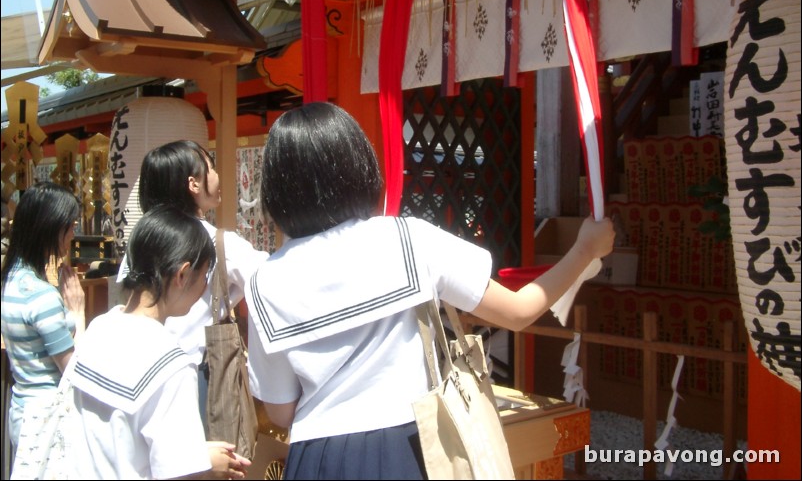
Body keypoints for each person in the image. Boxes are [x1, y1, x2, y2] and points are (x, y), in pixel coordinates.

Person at [245, 102, 616, 480]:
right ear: (357, 166)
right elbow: (518, 311)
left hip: (316, 457)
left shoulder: (264, 281)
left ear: (277, 188)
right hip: (407, 445)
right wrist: (585, 250)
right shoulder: (407, 239)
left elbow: (280, 410)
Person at [69, 204, 250, 479]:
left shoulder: (99, 328)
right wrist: (205, 464)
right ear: (182, 274)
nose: (204, 287)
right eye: (204, 277)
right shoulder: (171, 364)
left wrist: (195, 452)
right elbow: (178, 473)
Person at [116, 139, 267, 430]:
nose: (217, 175)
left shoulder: (142, 239)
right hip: (192, 377)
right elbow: (269, 283)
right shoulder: (219, 243)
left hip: (133, 369)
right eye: (210, 167)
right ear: (193, 184)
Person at [0, 182, 85, 451]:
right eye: (69, 225)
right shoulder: (40, 295)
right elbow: (73, 369)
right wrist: (77, 312)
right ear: (50, 227)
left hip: (23, 408)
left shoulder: (12, 280)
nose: (74, 232)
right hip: (48, 418)